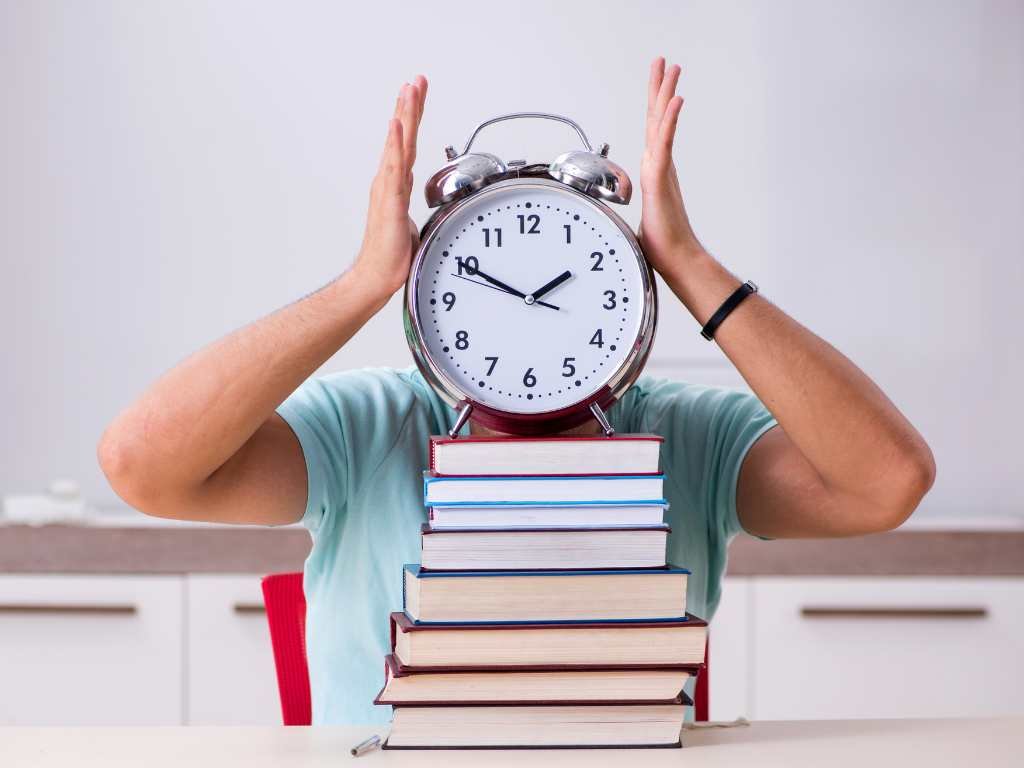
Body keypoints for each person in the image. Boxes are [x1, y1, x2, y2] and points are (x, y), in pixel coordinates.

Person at [97, 58, 935, 724]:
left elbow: (887, 481)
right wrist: (361, 284)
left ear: (628, 297)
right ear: (430, 301)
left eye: (568, 294)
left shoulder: (687, 437)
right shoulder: (369, 427)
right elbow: (142, 464)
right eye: (481, 291)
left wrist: (688, 264)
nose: (534, 321)